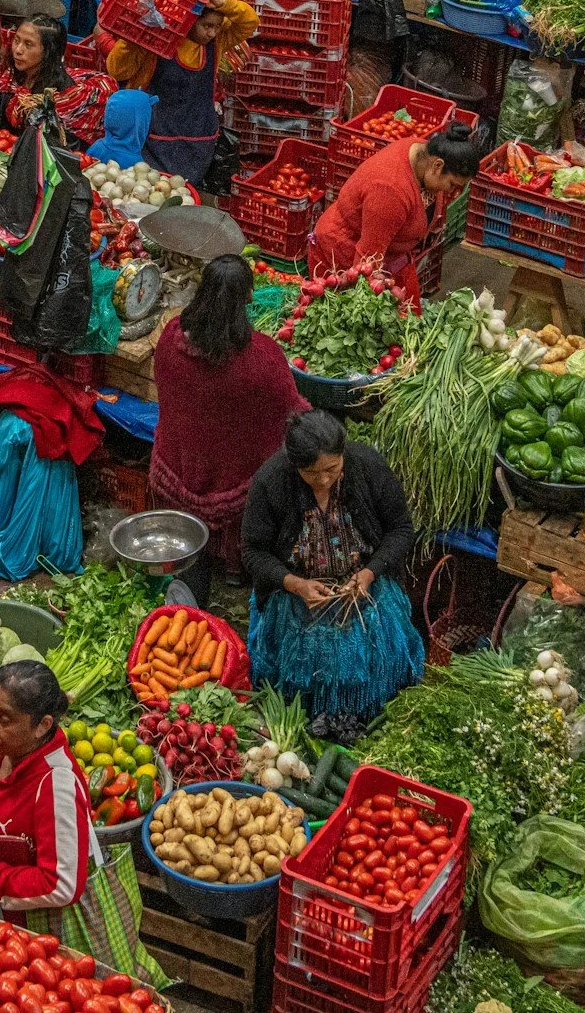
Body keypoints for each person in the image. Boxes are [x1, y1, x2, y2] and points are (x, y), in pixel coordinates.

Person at [0, 661, 167, 984]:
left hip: (31, 937)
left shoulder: (56, 784)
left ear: (42, 725)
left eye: (5, 719)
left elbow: (61, 883)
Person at [242, 410, 422, 734]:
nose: (323, 480)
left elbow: (400, 529)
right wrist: (295, 584)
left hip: (364, 587)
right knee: (305, 680)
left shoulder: (367, 465)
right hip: (297, 597)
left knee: (369, 671)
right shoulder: (272, 480)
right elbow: (253, 551)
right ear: (295, 464)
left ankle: (362, 715)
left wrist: (369, 573)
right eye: (312, 473)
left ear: (343, 455)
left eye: (332, 469)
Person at [151, 254, 307, 604]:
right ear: (248, 298)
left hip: (179, 466)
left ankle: (191, 567)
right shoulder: (263, 360)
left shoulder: (170, 340)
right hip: (234, 483)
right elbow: (291, 409)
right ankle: (236, 571)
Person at [309, 124, 484, 300]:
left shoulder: (421, 152)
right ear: (437, 166)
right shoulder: (389, 190)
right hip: (345, 251)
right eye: (452, 184)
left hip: (391, 255)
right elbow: (366, 264)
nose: (451, 192)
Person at [104, 0, 257, 182]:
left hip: (198, 143)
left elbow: (249, 21)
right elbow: (117, 70)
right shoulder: (159, 41)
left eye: (217, 26)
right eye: (207, 26)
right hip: (155, 141)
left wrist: (224, 3)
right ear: (189, 21)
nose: (212, 33)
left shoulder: (216, 42)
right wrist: (133, 39)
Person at [0, 15, 110, 136]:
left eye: (28, 44)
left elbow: (60, 146)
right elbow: (2, 133)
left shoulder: (63, 94)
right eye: (16, 40)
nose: (18, 50)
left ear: (48, 51)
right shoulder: (10, 79)